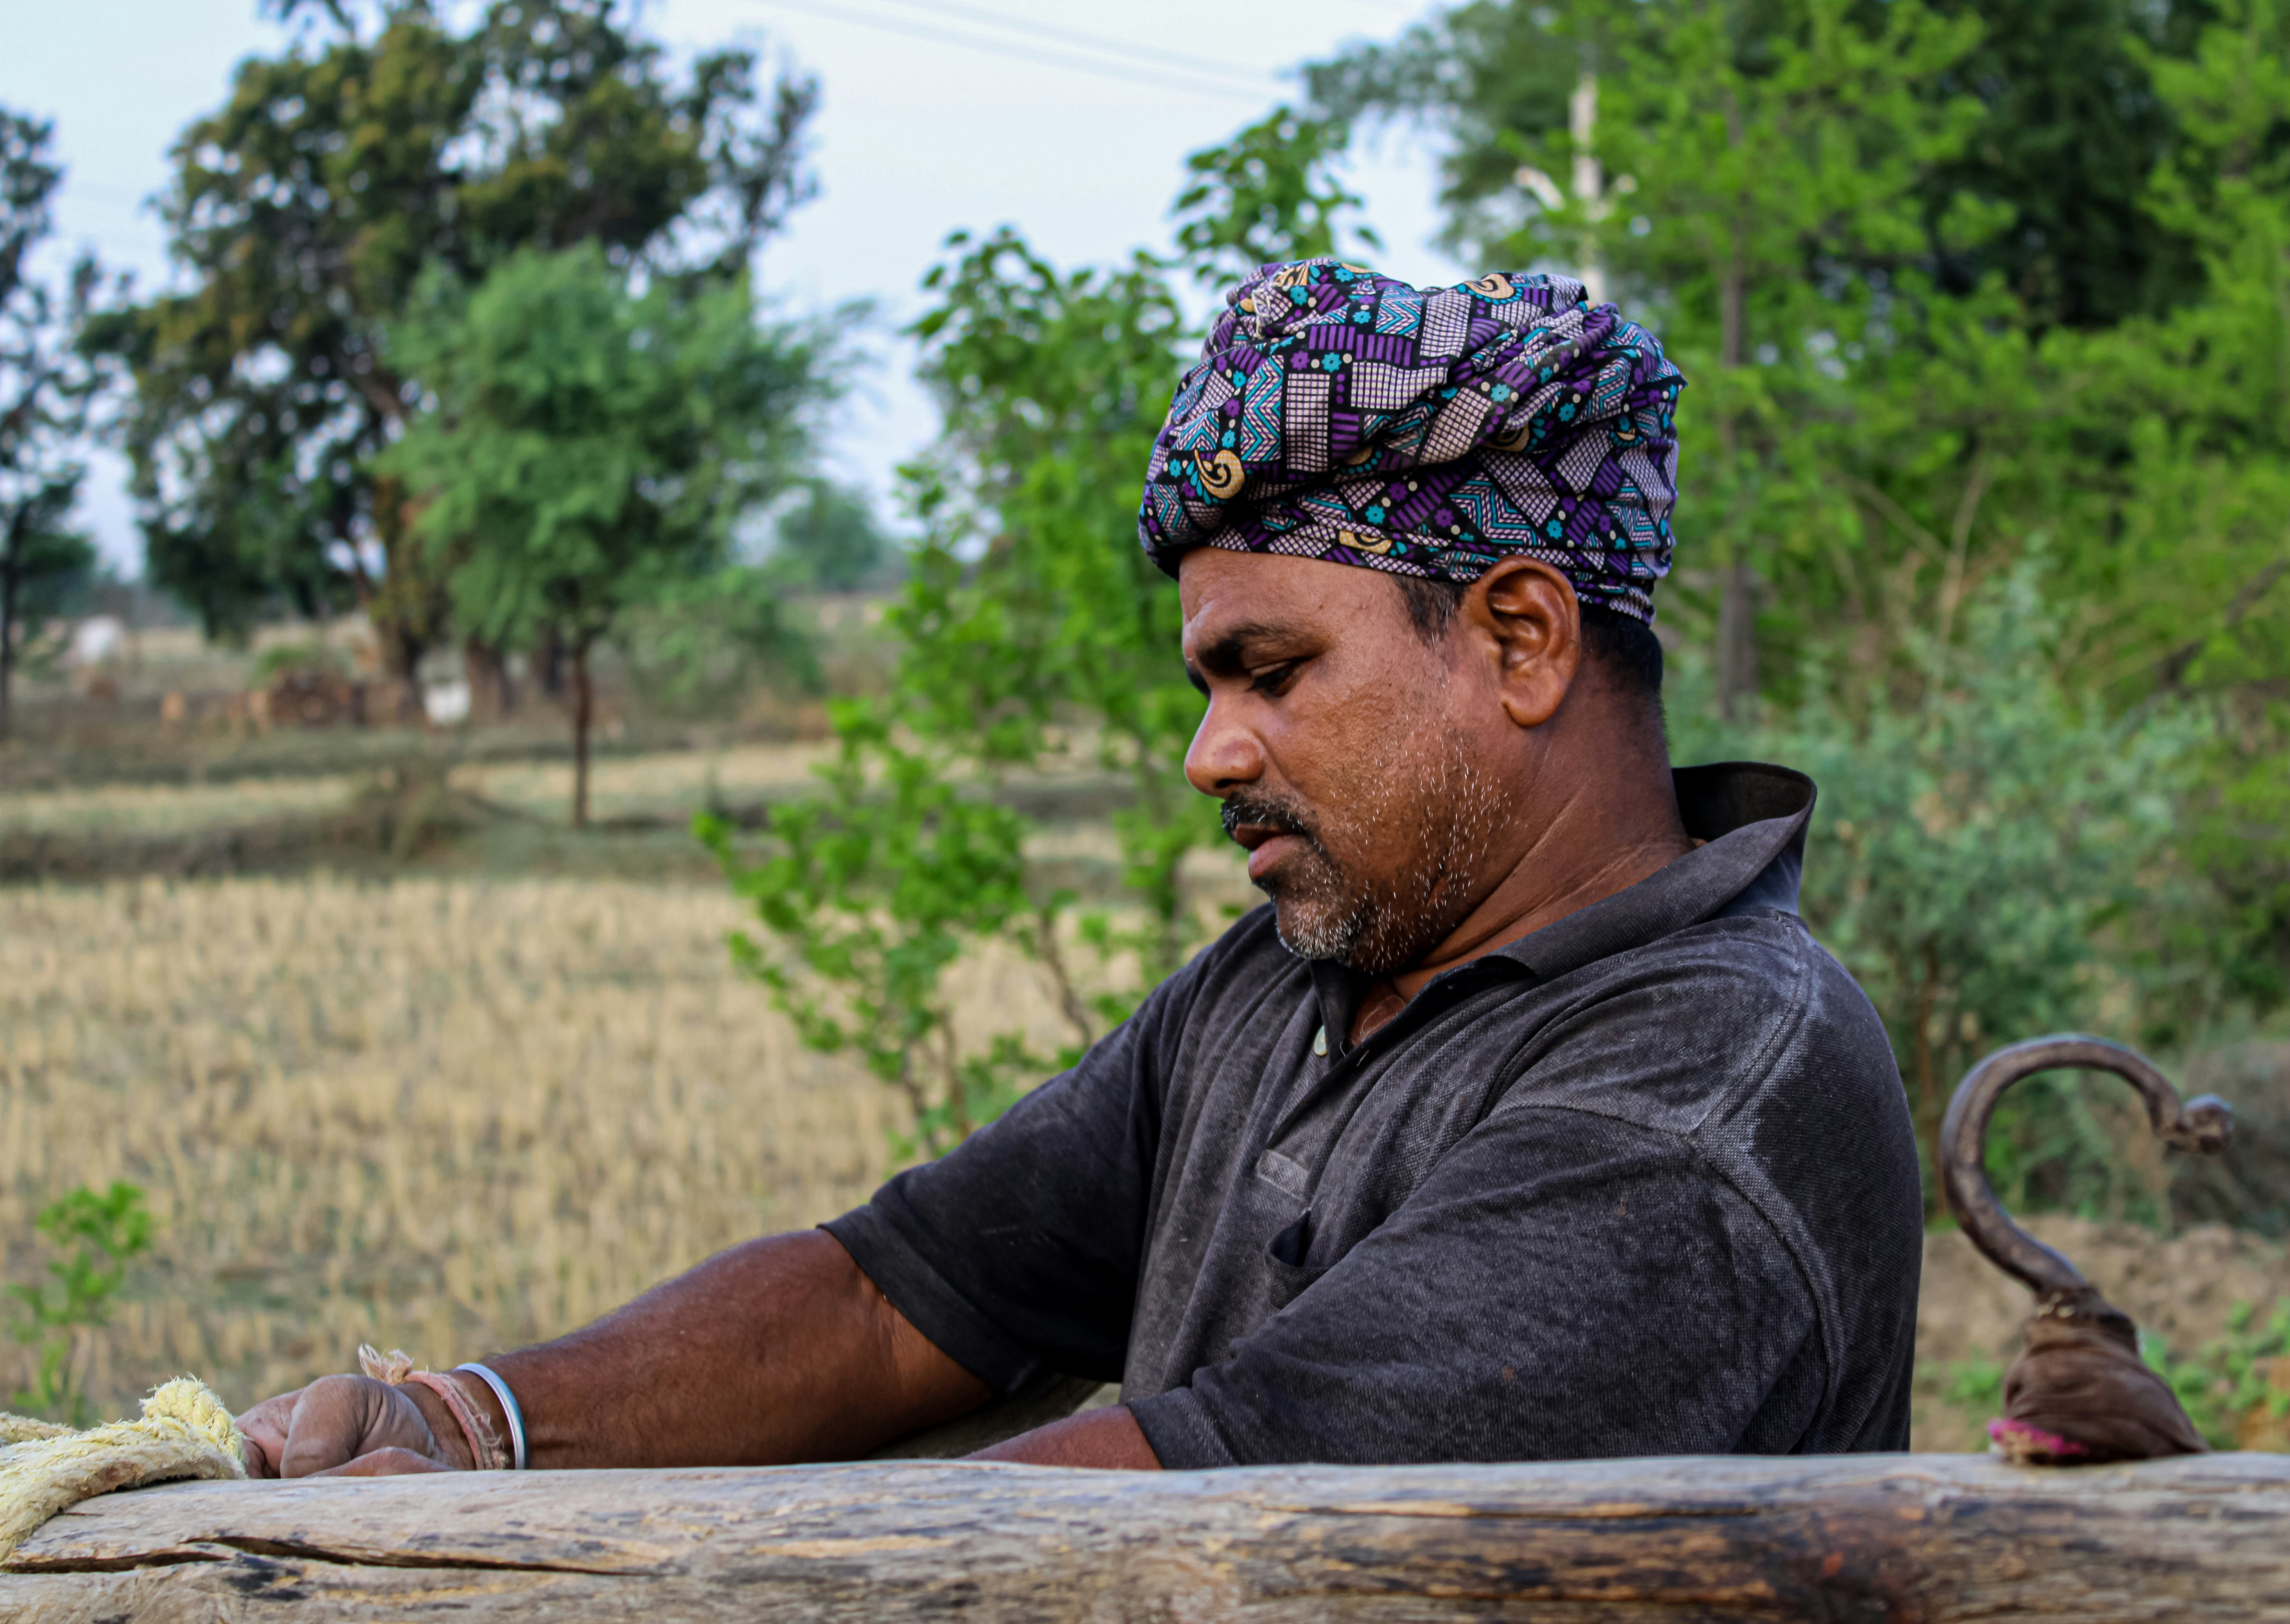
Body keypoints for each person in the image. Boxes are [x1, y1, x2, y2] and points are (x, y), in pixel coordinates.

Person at [239, 261, 1921, 1481]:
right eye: (1207, 687)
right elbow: (899, 1296)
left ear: (1521, 636)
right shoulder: (1286, 984)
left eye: (1271, 672)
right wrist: (471, 1425)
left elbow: (1217, 1504)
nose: (1213, 753)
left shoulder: (1707, 1087)